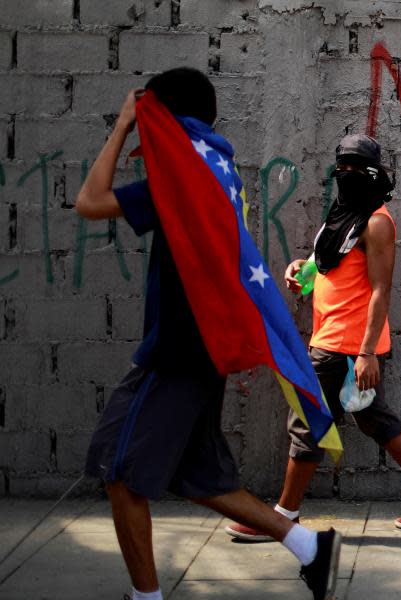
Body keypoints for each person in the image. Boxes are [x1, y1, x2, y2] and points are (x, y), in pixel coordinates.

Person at [77, 68, 340, 600]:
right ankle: (310, 548)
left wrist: (125, 126)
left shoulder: (179, 181)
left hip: (175, 352)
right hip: (207, 346)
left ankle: (146, 597)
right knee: (201, 476)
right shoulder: (217, 166)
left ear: (164, 118)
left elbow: (90, 200)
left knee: (120, 471)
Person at [225, 134, 401, 541]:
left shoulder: (376, 222)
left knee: (307, 422)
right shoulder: (341, 215)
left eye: (355, 168)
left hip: (344, 347)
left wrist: (367, 353)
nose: (346, 175)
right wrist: (301, 270)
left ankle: (284, 516)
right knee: (374, 420)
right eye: (341, 168)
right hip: (332, 338)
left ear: (373, 173)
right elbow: (325, 265)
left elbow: (382, 289)